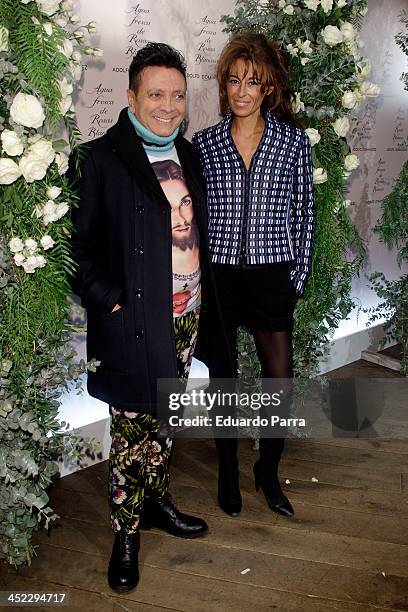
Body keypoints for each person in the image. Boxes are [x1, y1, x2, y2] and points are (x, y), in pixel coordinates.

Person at [68, 42, 230, 594]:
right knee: (130, 430)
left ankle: (157, 501)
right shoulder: (98, 159)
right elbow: (75, 251)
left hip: (187, 318)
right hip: (134, 320)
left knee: (163, 418)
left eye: (178, 95)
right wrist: (113, 301)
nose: (168, 105)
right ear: (132, 95)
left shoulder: (190, 155)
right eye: (156, 94)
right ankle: (125, 534)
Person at [192, 33, 315, 519]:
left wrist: (296, 278)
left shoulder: (291, 143)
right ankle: (227, 469)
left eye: (254, 82)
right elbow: (196, 218)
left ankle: (267, 468)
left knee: (278, 381)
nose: (242, 90)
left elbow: (303, 212)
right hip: (221, 278)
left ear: (269, 88)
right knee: (223, 379)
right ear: (225, 86)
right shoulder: (204, 144)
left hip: (271, 275)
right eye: (234, 80)